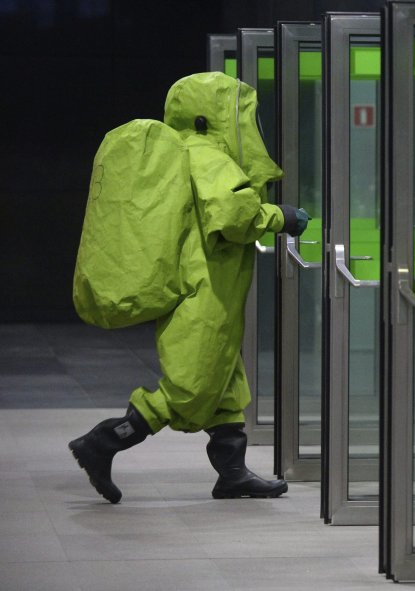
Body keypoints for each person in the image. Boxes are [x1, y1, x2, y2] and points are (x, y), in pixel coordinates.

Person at [69, 72, 309, 503]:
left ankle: (232, 473)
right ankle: (103, 442)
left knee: (225, 384)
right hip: (206, 290)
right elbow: (235, 218)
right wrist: (282, 217)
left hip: (206, 287)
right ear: (211, 116)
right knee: (190, 387)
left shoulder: (186, 151)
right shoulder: (208, 156)